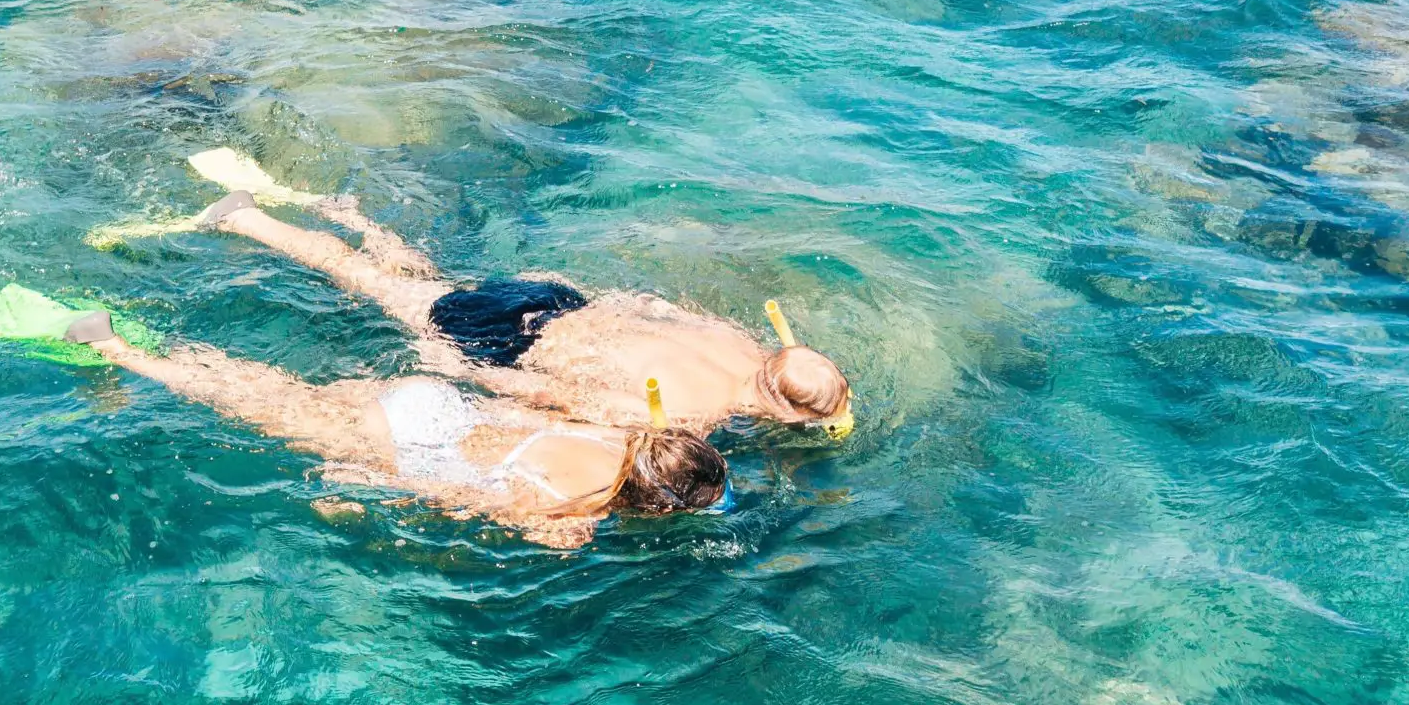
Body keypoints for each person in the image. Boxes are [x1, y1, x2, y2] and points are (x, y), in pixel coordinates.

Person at [192, 188, 854, 435]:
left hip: (552, 298)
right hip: (509, 338)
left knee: (425, 283)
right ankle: (247, 218)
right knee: (370, 283)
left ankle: (348, 213)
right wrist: (469, 372)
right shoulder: (693, 415)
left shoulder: (733, 338)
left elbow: (646, 305)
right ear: (785, 408)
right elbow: (551, 394)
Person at [55, 307, 729, 549]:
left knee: (284, 394)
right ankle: (116, 351)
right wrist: (369, 479)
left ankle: (161, 349)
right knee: (254, 405)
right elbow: (462, 498)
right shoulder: (573, 513)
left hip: (434, 404)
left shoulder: (621, 432)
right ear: (650, 501)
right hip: (408, 442)